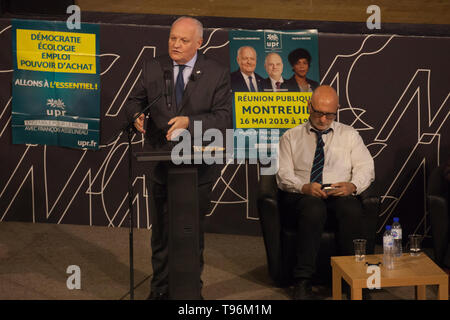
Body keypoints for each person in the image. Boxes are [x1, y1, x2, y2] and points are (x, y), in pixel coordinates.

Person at [125, 16, 232, 300]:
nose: (176, 44)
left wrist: (189, 122)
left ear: (200, 42)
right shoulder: (152, 66)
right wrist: (136, 115)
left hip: (198, 166)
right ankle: (159, 290)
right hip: (161, 163)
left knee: (189, 233)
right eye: (173, 38)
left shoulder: (217, 72)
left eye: (184, 40)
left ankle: (189, 293)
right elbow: (136, 100)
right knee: (160, 234)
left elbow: (223, 118)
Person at [276, 85, 375, 300]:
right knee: (313, 209)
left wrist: (352, 186)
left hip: (338, 192)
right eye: (318, 112)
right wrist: (303, 187)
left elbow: (366, 167)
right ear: (309, 106)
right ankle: (303, 280)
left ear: (337, 109)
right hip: (303, 194)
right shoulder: (291, 137)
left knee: (350, 208)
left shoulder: (349, 135)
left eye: (329, 114)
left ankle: (354, 279)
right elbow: (283, 174)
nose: (322, 119)